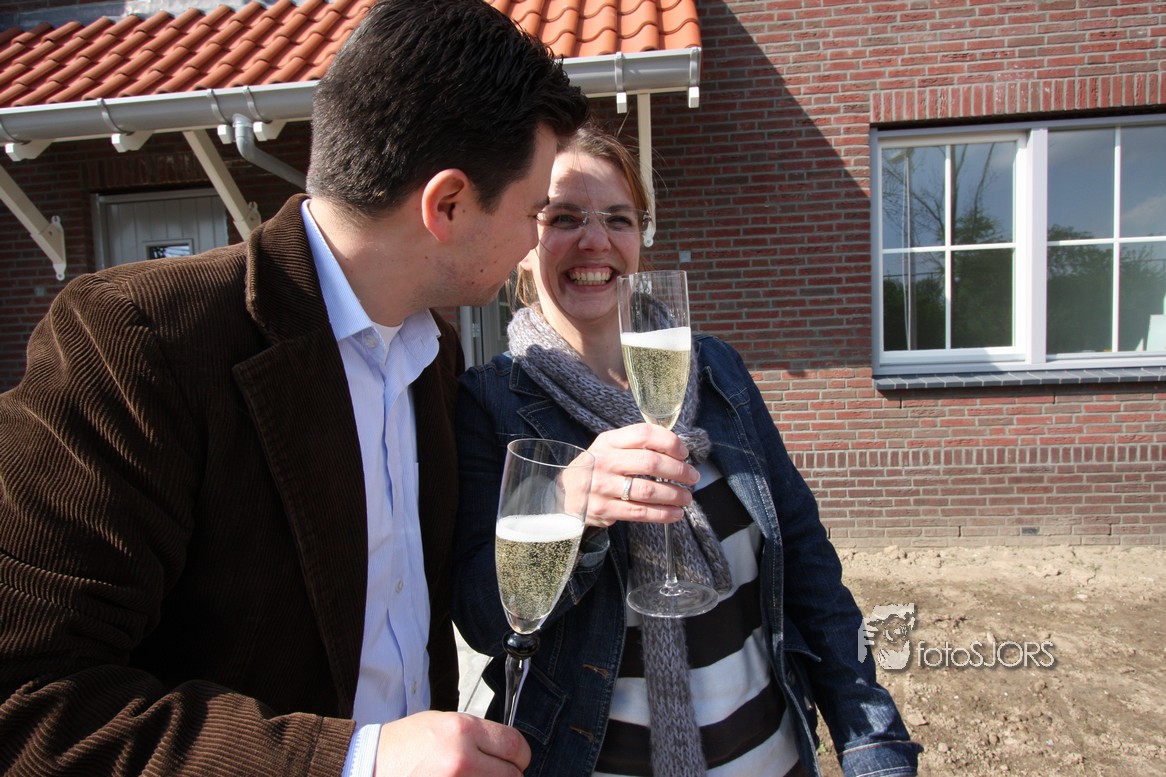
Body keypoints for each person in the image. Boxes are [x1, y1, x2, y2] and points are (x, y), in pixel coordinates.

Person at [0, 1, 588, 775]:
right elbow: (27, 700)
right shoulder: (136, 341)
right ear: (445, 205)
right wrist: (355, 759)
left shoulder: (434, 357)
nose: (537, 239)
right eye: (535, 210)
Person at [451, 121, 922, 777]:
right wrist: (565, 504)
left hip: (771, 759)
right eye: (563, 218)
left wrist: (873, 744)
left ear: (640, 238)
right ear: (526, 241)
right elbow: (484, 619)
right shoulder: (490, 403)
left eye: (619, 219)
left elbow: (806, 561)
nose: (595, 240)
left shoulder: (714, 370)